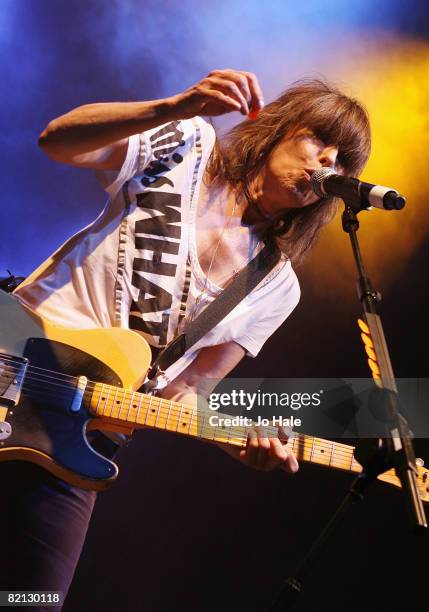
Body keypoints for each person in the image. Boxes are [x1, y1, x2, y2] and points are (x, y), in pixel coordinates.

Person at [2, 69, 371, 607]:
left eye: (339, 162)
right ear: (279, 127)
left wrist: (238, 443)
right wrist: (175, 106)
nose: (325, 165)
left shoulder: (276, 286)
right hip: (14, 360)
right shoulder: (187, 146)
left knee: (30, 600)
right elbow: (57, 140)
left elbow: (184, 388)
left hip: (80, 440)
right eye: (319, 141)